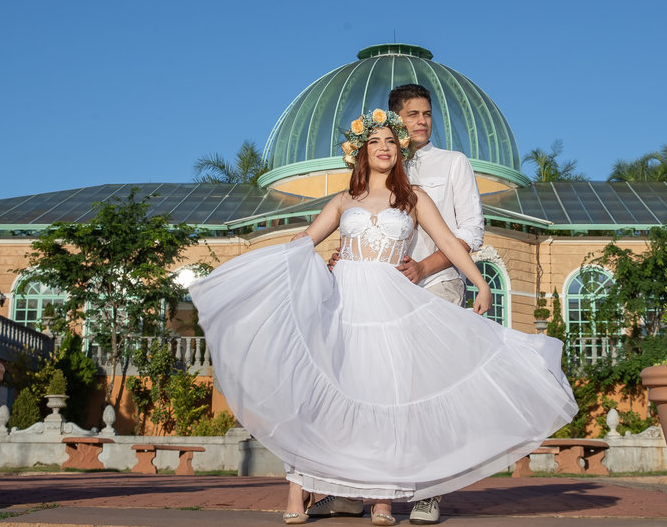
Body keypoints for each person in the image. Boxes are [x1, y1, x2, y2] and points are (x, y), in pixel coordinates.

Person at [189, 109, 576, 526]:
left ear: (400, 150)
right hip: (345, 301)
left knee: (385, 395)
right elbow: (303, 242)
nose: (385, 148)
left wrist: (481, 283)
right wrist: (254, 274)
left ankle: (382, 498)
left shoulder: (413, 200)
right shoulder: (343, 201)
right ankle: (298, 494)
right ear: (361, 151)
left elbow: (449, 240)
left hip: (391, 303)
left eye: (392, 141)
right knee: (323, 392)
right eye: (376, 142)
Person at [309, 84, 485, 524]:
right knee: (365, 386)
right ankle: (354, 490)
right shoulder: (378, 164)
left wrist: (424, 268)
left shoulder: (453, 163)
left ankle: (427, 490)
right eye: (411, 114)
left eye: (427, 113)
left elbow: (469, 233)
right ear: (388, 122)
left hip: (435, 284)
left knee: (425, 389)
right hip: (375, 291)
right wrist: (350, 259)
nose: (421, 121)